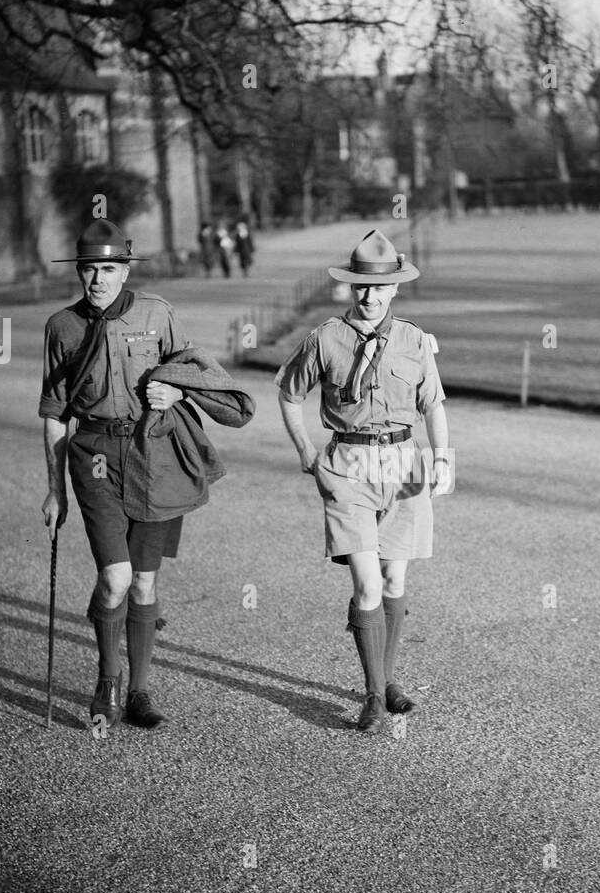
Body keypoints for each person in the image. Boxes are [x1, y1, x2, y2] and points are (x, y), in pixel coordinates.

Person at [39, 219, 254, 731]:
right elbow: (53, 412)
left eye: (109, 269)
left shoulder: (158, 313)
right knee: (115, 577)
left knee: (144, 582)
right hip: (92, 453)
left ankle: (139, 690)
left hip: (153, 452)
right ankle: (107, 681)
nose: (98, 280)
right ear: (80, 271)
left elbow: (195, 373)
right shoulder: (62, 327)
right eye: (90, 269)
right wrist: (53, 490)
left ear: (124, 269)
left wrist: (177, 394)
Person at [275, 228, 451, 732]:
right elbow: (289, 393)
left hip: (403, 464)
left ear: (395, 288)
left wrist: (441, 459)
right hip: (348, 467)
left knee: (395, 578)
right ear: (351, 288)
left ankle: (387, 677)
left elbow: (432, 404)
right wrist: (306, 450)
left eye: (379, 287)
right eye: (360, 287)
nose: (369, 296)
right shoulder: (325, 338)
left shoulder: (415, 340)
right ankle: (374, 695)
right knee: (367, 583)